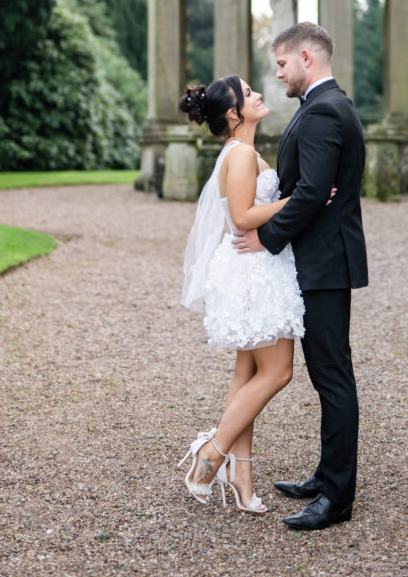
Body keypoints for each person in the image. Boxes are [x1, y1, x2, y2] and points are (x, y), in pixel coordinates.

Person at [232, 22, 368, 531]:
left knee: (333, 379)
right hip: (322, 259)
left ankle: (336, 497)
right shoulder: (329, 106)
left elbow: (312, 193)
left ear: (307, 57)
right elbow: (311, 189)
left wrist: (264, 239)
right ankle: (326, 476)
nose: (278, 73)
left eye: (283, 64)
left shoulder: (322, 112)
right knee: (327, 375)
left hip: (324, 264)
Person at [177, 74, 307, 514]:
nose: (256, 95)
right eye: (248, 94)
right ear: (234, 114)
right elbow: (243, 215)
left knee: (247, 373)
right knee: (279, 372)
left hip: (253, 267)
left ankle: (242, 474)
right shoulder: (242, 154)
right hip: (254, 273)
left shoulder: (242, 151)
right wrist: (299, 201)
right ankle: (211, 452)